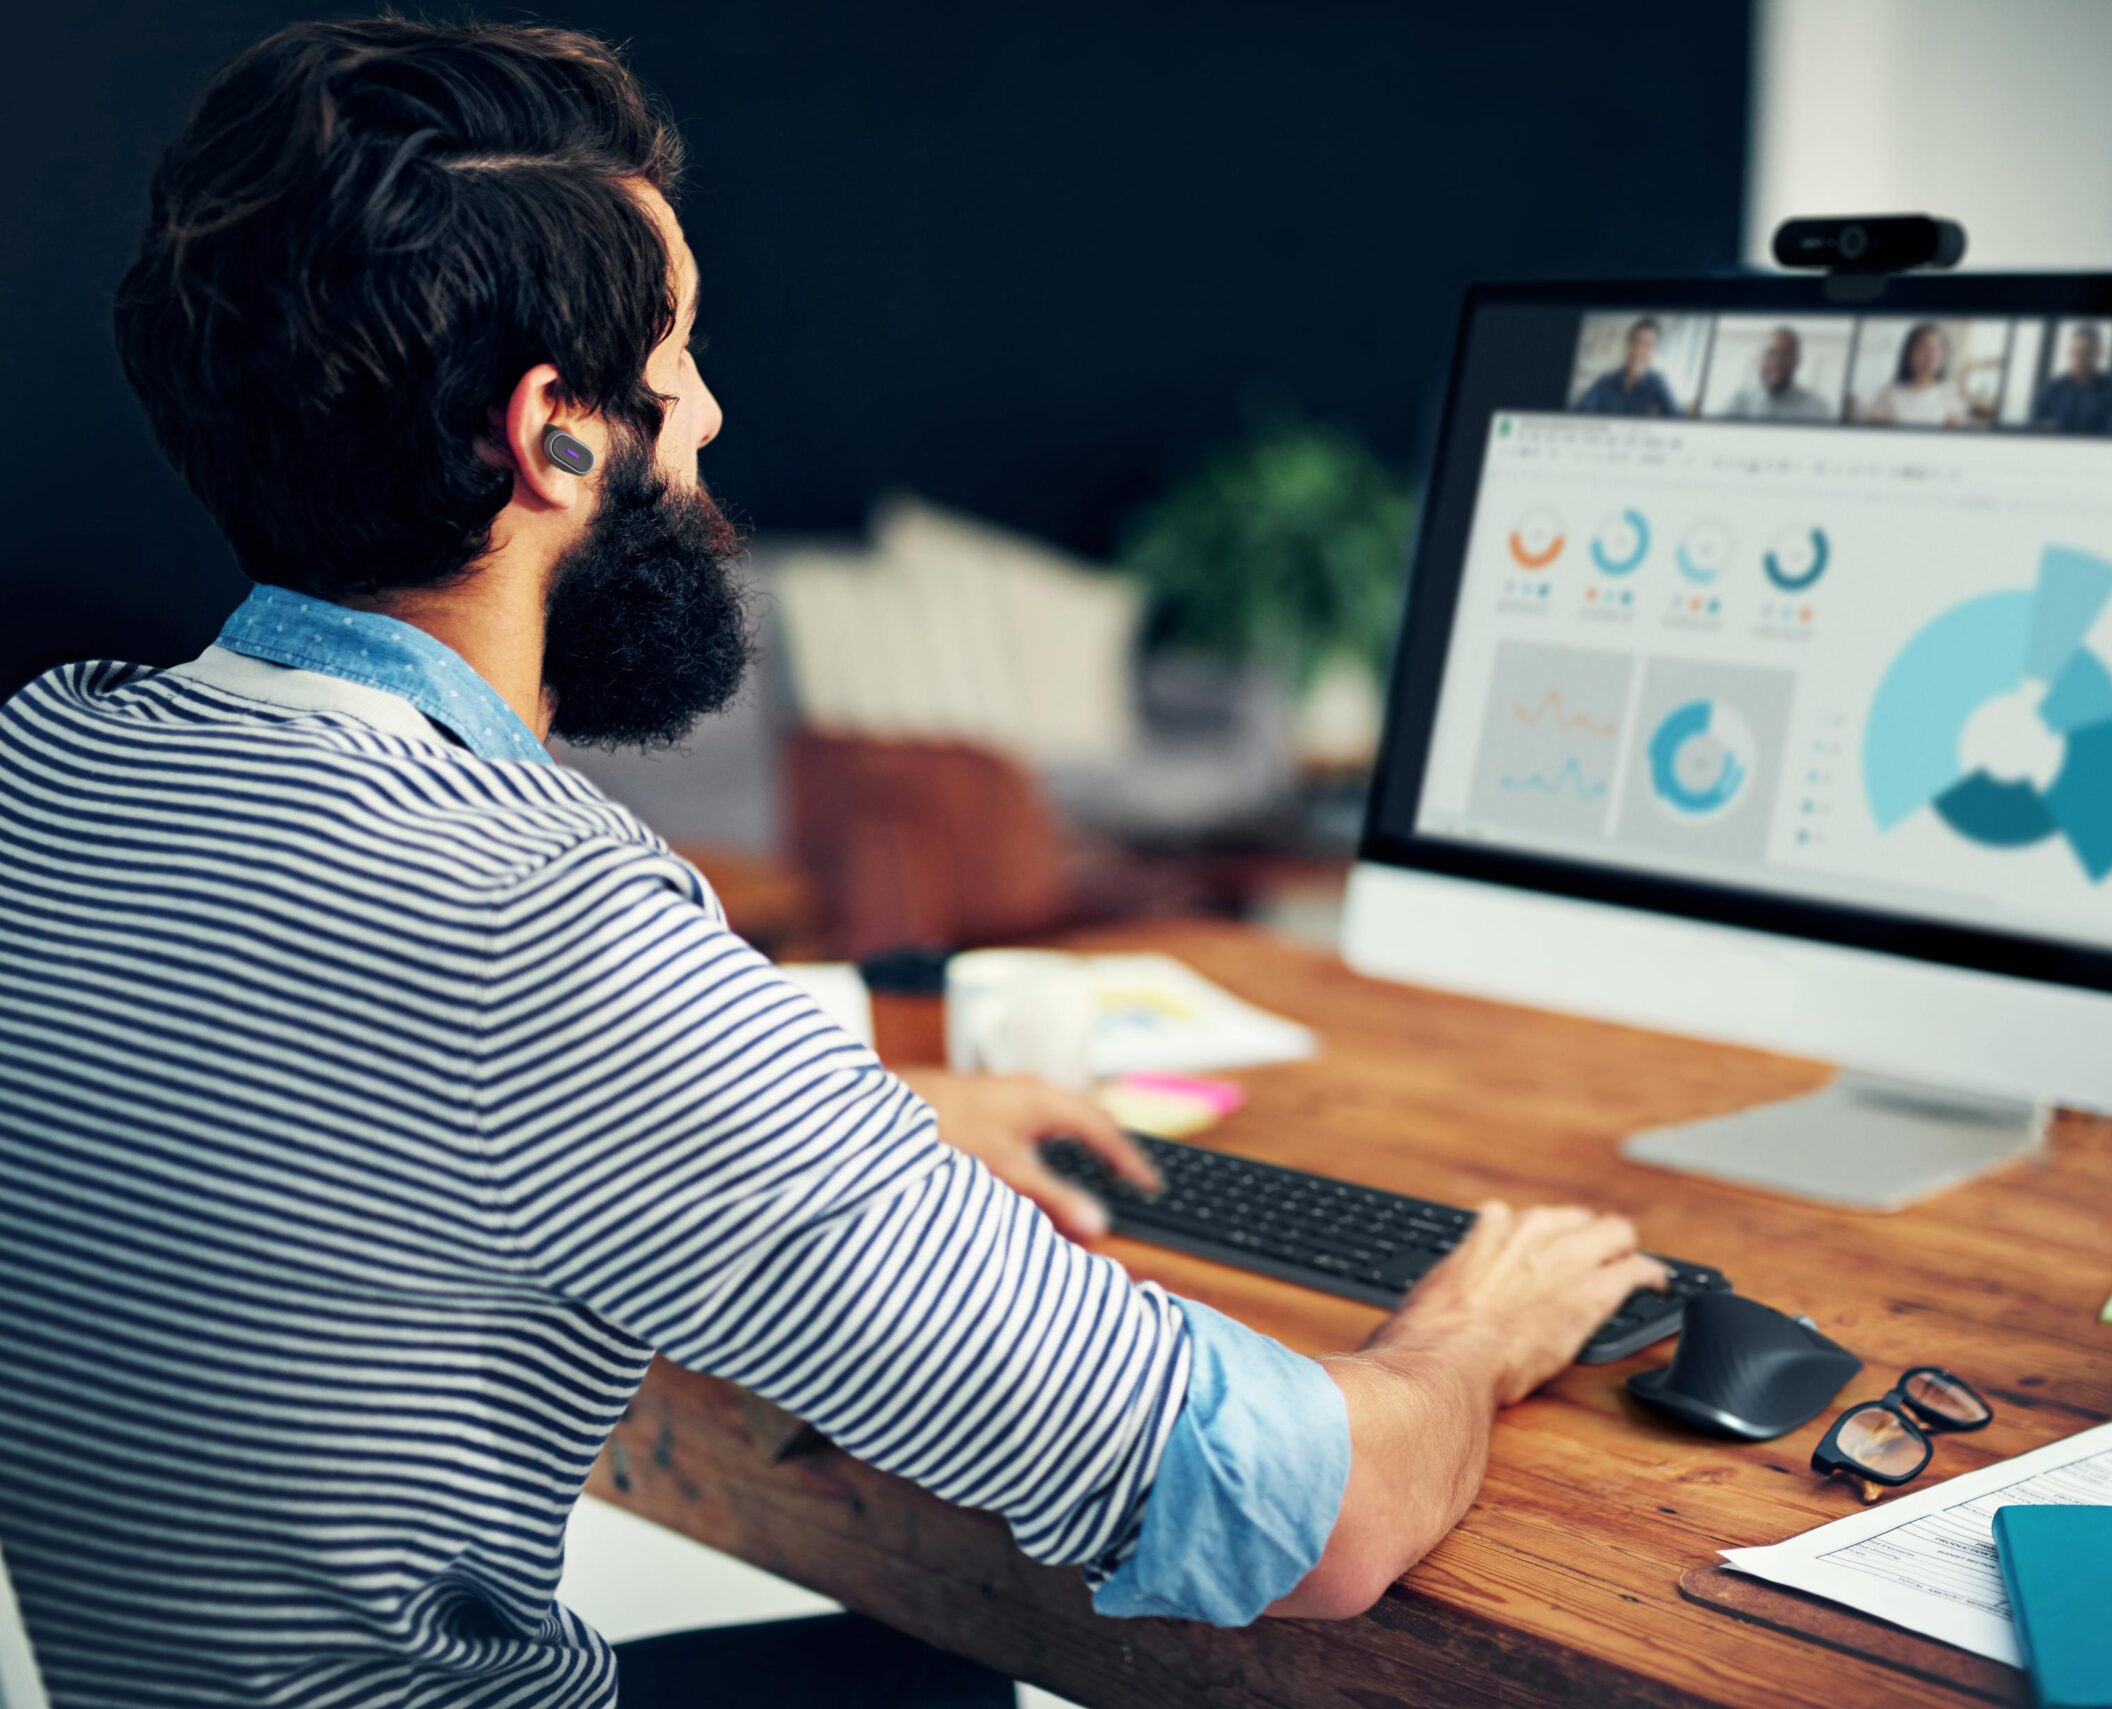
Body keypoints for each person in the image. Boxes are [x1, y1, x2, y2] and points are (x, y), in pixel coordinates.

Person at [0, 18, 1666, 1709]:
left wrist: (809, 1101)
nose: (711, 413)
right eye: (681, 353)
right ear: (554, 435)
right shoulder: (550, 921)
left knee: (901, 1662)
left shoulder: (50, 763)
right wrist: (1477, 1328)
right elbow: (1304, 1514)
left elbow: (325, 1074)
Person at [1859, 322, 1972, 427]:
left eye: (1938, 348)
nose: (1931, 355)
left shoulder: (1949, 392)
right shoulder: (1890, 393)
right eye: (1923, 348)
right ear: (1909, 354)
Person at [2031, 322, 2112, 435]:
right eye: (2075, 352)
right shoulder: (2053, 388)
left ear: (2098, 354)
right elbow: (2035, 426)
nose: (2079, 358)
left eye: (2086, 352)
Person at [1720, 324, 1835, 422]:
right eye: (1771, 354)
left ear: (1797, 361)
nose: (1777, 362)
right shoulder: (1738, 401)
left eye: (1785, 354)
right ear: (1760, 359)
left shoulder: (1816, 406)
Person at [1573, 316, 1683, 416]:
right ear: (1627, 345)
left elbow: (1676, 418)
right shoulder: (1605, 381)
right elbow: (1581, 410)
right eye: (1635, 342)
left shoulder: (1658, 382)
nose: (1639, 350)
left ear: (1654, 352)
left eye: (1648, 345)